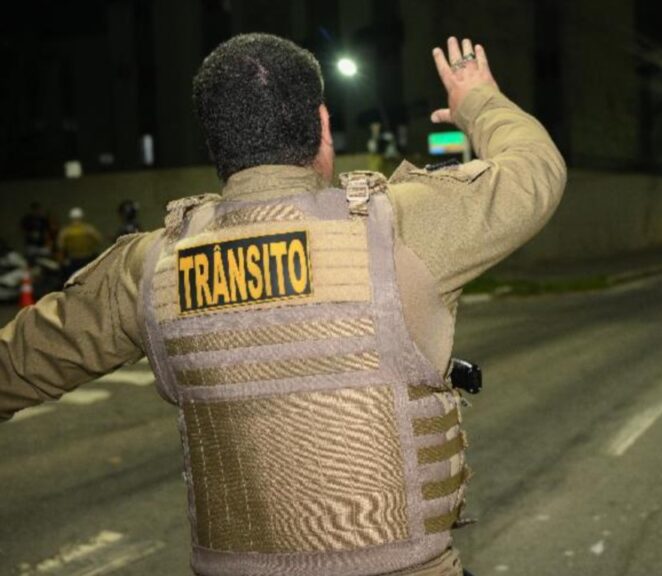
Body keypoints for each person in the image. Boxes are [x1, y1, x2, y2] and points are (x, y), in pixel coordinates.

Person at [0, 33, 565, 576]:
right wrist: (477, 101)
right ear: (322, 125)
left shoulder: (148, 269)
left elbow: (16, 367)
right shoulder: (402, 228)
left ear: (217, 143)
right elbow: (535, 173)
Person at [55, 207, 104, 282]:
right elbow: (99, 239)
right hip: (87, 258)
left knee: (72, 280)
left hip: (73, 259)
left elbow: (60, 246)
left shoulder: (65, 231)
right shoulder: (88, 229)